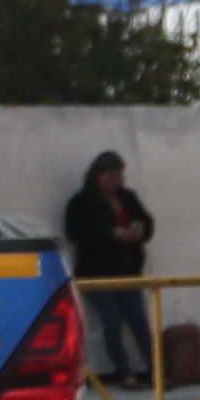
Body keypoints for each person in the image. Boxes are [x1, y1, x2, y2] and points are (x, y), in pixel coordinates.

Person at [60, 149, 156, 385]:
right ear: (97, 175)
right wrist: (110, 234)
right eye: (111, 177)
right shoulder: (82, 202)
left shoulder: (128, 198)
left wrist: (139, 232)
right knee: (111, 321)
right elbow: (74, 232)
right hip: (99, 271)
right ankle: (123, 371)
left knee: (139, 322)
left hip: (129, 268)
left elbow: (147, 221)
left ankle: (156, 369)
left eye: (119, 177)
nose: (117, 182)